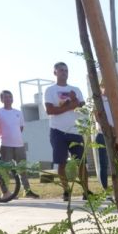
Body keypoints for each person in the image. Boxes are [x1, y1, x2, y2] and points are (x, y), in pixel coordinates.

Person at [44, 61, 86, 201]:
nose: (64, 72)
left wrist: (75, 102)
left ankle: (86, 191)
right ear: (55, 72)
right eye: (61, 70)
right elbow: (50, 110)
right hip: (58, 131)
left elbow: (82, 108)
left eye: (66, 70)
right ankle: (66, 191)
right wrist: (70, 106)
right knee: (61, 162)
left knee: (81, 163)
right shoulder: (50, 90)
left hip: (75, 131)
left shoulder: (76, 89)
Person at [0, 90, 39, 198]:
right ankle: (5, 192)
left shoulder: (18, 112)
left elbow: (21, 128)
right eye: (5, 97)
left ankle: (27, 191)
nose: (8, 99)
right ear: (1, 99)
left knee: (22, 169)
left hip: (19, 145)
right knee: (5, 170)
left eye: (10, 97)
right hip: (5, 145)